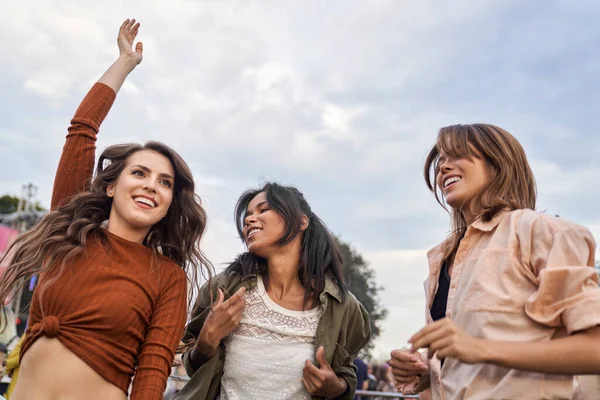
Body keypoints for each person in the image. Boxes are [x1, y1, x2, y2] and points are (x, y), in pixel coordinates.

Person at [0, 19, 211, 400]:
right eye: (140, 173)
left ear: (168, 206)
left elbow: (151, 374)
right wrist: (124, 63)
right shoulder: (68, 233)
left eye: (165, 182)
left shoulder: (168, 279)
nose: (151, 185)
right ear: (112, 185)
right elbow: (82, 129)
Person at [389, 123, 600, 399]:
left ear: (498, 163)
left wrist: (479, 348)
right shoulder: (440, 261)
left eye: (457, 155)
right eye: (441, 160)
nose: (443, 167)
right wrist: (424, 373)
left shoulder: (542, 233)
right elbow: (469, 369)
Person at [175, 182, 371, 400]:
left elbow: (346, 372)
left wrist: (339, 388)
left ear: (301, 221)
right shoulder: (223, 289)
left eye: (264, 210)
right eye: (247, 215)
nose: (249, 220)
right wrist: (205, 344)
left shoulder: (342, 305)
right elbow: (191, 367)